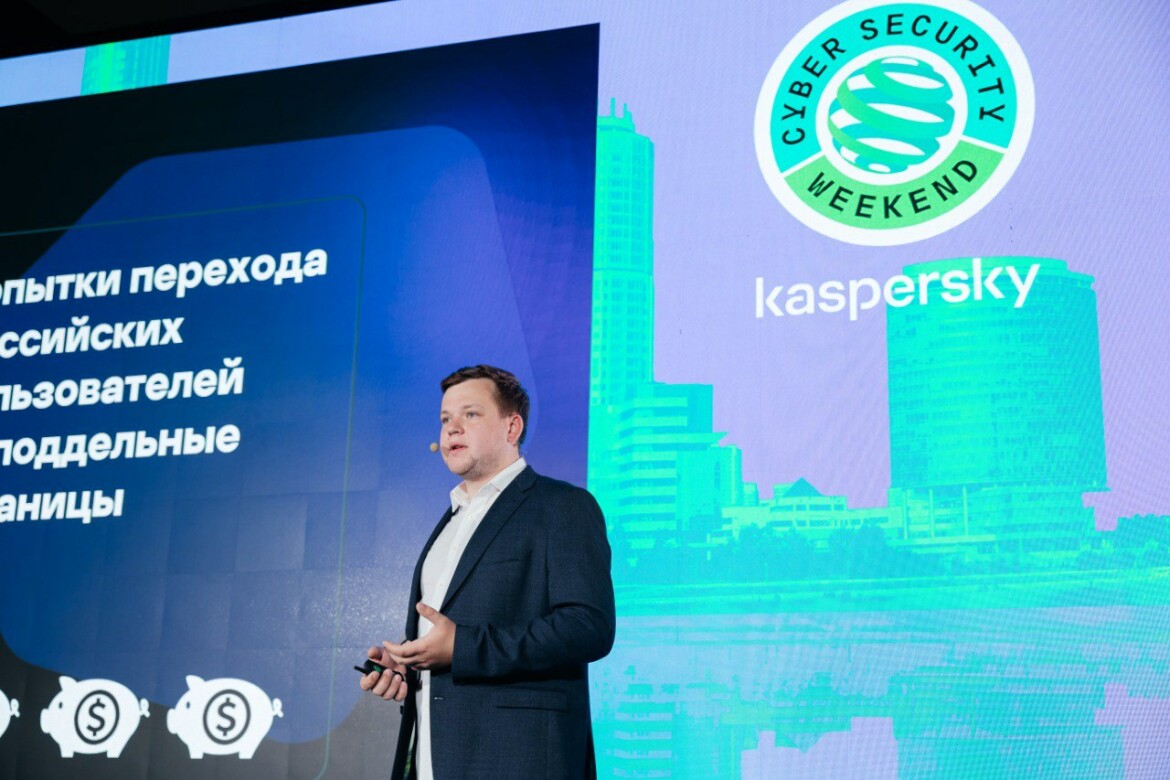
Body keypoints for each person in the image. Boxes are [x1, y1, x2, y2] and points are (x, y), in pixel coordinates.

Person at [359, 364, 616, 779]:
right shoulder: (449, 522)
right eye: (445, 418)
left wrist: (461, 647)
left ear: (512, 427)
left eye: (470, 414)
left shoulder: (562, 506)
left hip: (517, 761)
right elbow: (454, 635)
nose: (452, 428)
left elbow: (588, 626)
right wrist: (409, 661)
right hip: (432, 760)